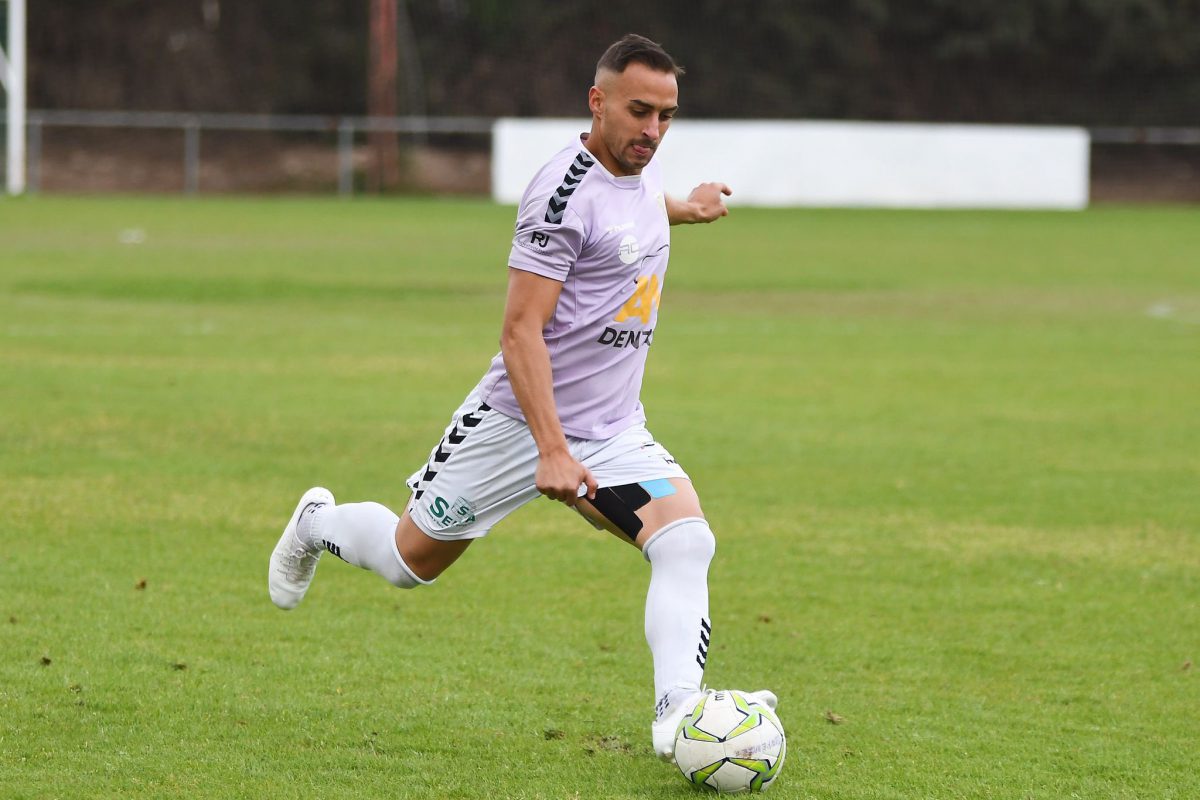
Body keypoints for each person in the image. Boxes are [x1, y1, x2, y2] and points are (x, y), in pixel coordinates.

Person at [268, 33, 775, 762]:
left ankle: (679, 716)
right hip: (513, 425)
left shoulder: (633, 178)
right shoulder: (559, 193)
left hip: (612, 429)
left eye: (667, 116)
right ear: (596, 102)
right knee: (409, 561)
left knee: (687, 541)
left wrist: (684, 209)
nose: (654, 131)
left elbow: (626, 219)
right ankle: (318, 521)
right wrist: (551, 450)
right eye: (639, 112)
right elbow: (519, 331)